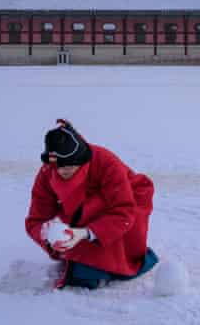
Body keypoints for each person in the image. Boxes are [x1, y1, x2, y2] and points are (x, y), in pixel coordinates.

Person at [25, 119, 158, 289]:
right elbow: (36, 220)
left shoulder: (106, 162)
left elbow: (124, 211)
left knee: (115, 264)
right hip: (80, 214)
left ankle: (114, 259)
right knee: (85, 276)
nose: (63, 171)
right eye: (58, 166)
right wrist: (47, 234)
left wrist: (85, 233)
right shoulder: (46, 173)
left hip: (127, 203)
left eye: (70, 165)